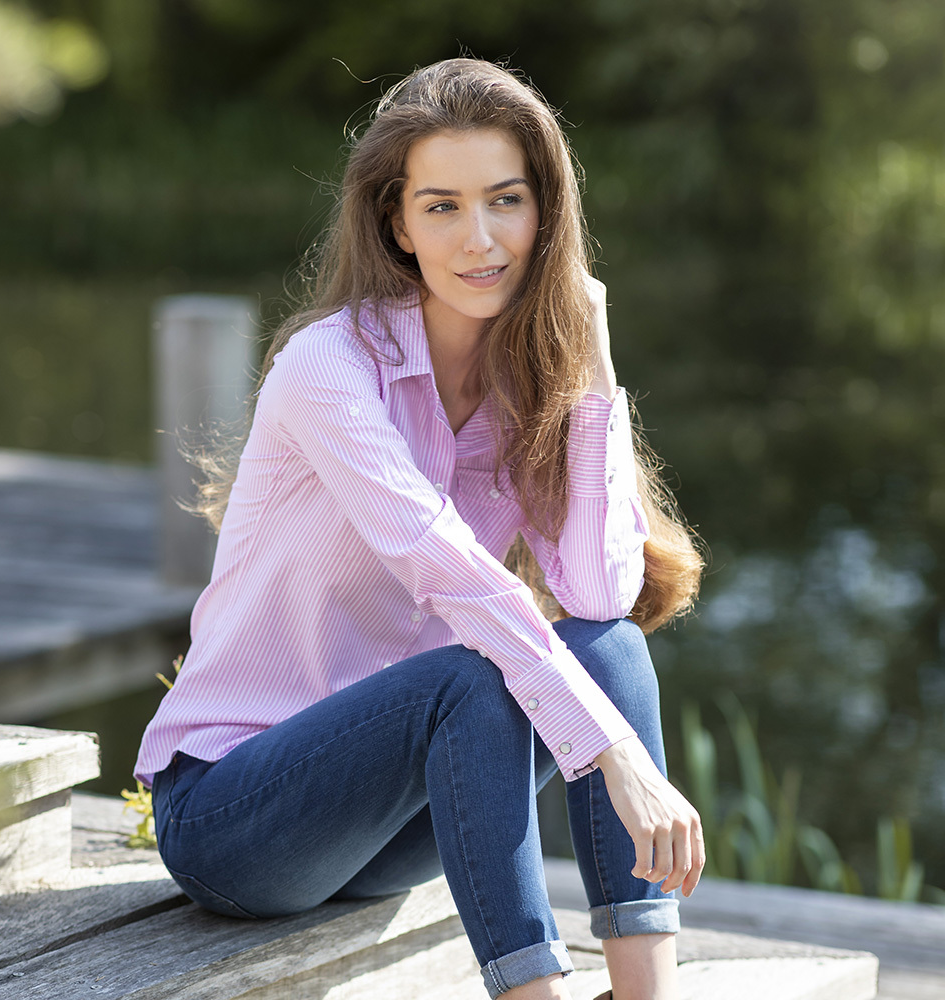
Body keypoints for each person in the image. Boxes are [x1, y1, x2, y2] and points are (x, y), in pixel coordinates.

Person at [134, 57, 706, 1000]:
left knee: (606, 645)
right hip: (235, 819)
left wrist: (594, 376)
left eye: (505, 201)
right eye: (441, 206)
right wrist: (618, 759)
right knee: (469, 671)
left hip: (389, 828)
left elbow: (597, 597)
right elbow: (451, 577)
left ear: (545, 213)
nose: (479, 240)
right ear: (398, 224)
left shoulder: (532, 384)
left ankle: (648, 992)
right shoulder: (330, 367)